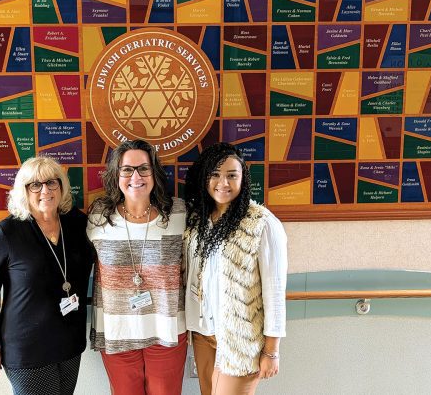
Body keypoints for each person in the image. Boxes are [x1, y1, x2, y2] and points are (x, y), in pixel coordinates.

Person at [0, 156, 94, 395]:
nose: (45, 191)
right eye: (35, 185)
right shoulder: (7, 232)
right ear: (24, 190)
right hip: (28, 348)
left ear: (61, 187)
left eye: (52, 183)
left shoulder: (77, 223)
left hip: (68, 342)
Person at [183, 142, 288, 395]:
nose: (223, 183)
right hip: (202, 333)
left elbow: (274, 292)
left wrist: (271, 351)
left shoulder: (261, 224)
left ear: (243, 178)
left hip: (240, 340)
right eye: (215, 175)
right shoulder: (198, 219)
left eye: (232, 175)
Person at [87, 139, 188, 395]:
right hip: (117, 330)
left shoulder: (178, 213)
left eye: (144, 168)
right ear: (116, 174)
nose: (136, 176)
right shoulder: (99, 215)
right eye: (127, 169)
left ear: (154, 173)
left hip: (166, 329)